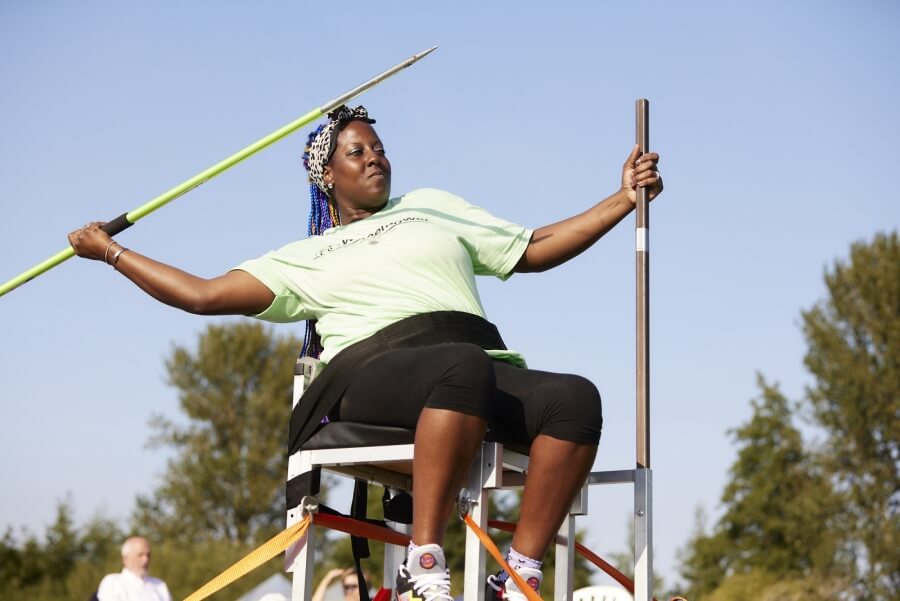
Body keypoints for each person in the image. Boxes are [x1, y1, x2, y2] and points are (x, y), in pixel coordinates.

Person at [69, 105, 663, 601]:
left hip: (470, 366)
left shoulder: (430, 204)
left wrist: (623, 198)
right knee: (461, 368)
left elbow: (532, 246)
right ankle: (423, 565)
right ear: (327, 176)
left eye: (378, 147)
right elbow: (200, 295)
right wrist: (111, 253)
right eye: (356, 152)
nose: (374, 156)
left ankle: (518, 575)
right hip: (371, 375)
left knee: (573, 398)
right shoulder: (306, 256)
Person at [96, 536, 172, 601]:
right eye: (140, 555)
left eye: (148, 555)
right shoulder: (112, 582)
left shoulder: (160, 585)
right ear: (125, 558)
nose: (146, 559)